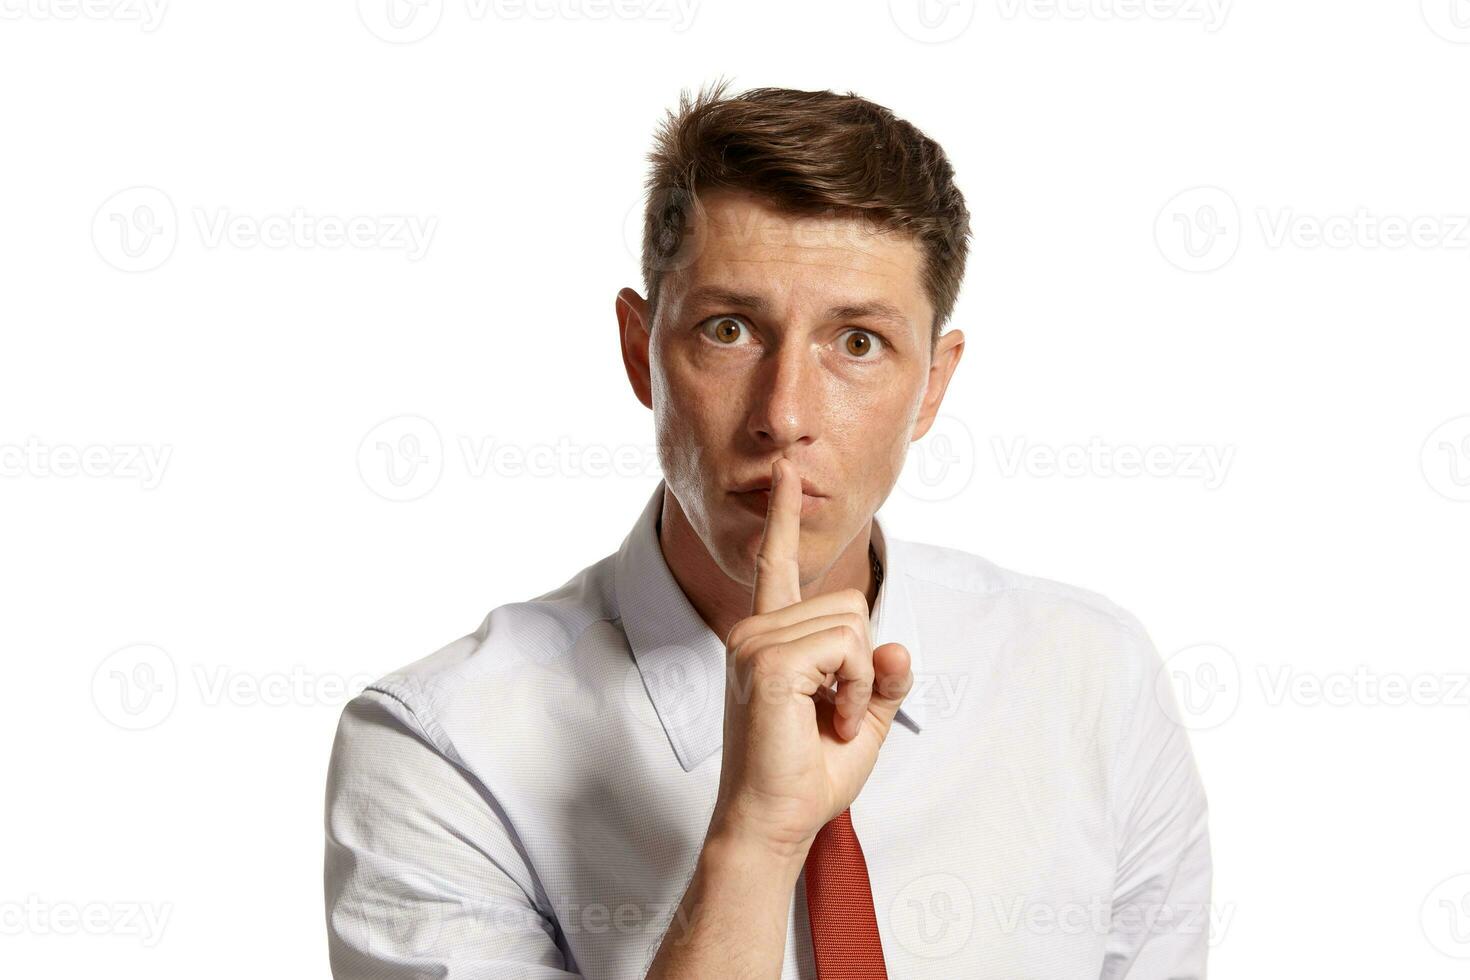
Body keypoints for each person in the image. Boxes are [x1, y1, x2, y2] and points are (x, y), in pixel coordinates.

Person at [324, 82, 1212, 979]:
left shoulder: (1091, 679)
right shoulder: (442, 747)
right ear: (641, 351)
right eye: (730, 329)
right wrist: (754, 837)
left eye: (857, 342)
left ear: (933, 386)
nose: (785, 415)